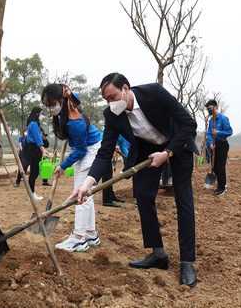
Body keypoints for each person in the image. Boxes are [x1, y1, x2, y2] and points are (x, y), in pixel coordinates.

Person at [70, 73, 199, 287]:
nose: (111, 103)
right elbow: (105, 152)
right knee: (143, 195)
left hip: (178, 143)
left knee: (183, 200)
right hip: (147, 151)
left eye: (113, 96)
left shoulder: (154, 93)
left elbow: (189, 124)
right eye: (106, 99)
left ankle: (187, 262)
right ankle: (158, 254)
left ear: (126, 89)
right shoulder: (112, 114)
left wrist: (168, 153)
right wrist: (87, 183)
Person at [42, 84, 103, 252]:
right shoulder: (68, 103)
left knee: (80, 194)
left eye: (52, 103)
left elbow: (81, 150)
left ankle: (78, 239)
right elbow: (72, 94)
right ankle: (90, 234)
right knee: (87, 194)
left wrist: (63, 165)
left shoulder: (75, 121)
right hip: (87, 148)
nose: (50, 107)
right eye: (47, 105)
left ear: (60, 100)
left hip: (89, 151)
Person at [205, 99, 233, 197]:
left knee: (220, 167)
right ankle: (219, 185)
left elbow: (229, 132)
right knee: (214, 167)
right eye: (208, 109)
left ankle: (222, 187)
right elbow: (208, 133)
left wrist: (218, 132)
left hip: (222, 145)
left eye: (211, 108)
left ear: (216, 108)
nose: (209, 111)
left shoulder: (223, 119)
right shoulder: (210, 121)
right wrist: (210, 143)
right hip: (214, 145)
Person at [24, 107, 50, 200]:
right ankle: (31, 194)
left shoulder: (33, 124)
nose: (42, 116)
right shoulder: (34, 124)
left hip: (34, 148)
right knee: (34, 172)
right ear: (37, 114)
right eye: (41, 113)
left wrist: (43, 150)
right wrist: (42, 150)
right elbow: (37, 139)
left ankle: (32, 193)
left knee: (34, 172)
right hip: (34, 149)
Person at [102, 134, 129, 207]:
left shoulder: (123, 134)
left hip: (110, 150)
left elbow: (123, 146)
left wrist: (128, 159)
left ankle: (111, 196)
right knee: (106, 175)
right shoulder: (117, 127)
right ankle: (106, 200)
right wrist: (114, 147)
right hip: (103, 151)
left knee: (109, 174)